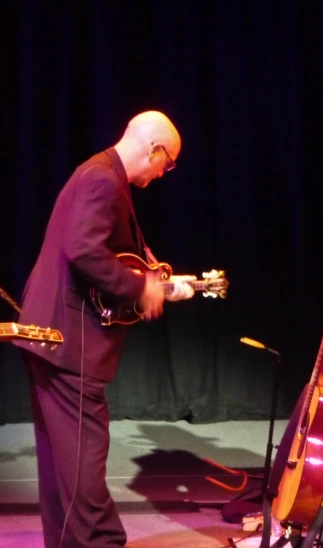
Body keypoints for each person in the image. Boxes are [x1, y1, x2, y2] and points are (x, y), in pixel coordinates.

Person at [13, 110, 195, 547]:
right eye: (167, 164)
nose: (163, 174)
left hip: (54, 339)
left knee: (64, 471)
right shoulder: (102, 179)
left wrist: (158, 285)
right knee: (83, 472)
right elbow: (84, 250)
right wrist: (141, 289)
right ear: (154, 150)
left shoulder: (101, 174)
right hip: (68, 343)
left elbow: (103, 255)